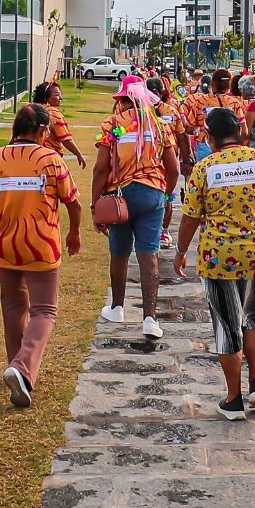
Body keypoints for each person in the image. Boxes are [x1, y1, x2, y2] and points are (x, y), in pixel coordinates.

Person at [173, 107, 255, 421]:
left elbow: (190, 218)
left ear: (209, 137)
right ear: (240, 131)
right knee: (252, 315)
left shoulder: (205, 168)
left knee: (226, 325)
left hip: (217, 258)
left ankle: (234, 399)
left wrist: (181, 251)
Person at [0, 105, 83, 408]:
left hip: (4, 245)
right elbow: (73, 202)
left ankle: (17, 369)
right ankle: (22, 368)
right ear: (42, 131)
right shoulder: (51, 159)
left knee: (12, 307)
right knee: (44, 310)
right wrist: (74, 233)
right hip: (41, 246)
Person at [93, 78, 180, 338]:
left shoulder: (112, 124)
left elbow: (100, 169)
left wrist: (95, 204)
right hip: (152, 193)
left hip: (119, 196)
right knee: (149, 254)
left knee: (119, 252)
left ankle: (117, 308)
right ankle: (150, 319)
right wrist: (165, 196)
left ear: (122, 101)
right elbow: (174, 169)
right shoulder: (160, 125)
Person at [148, 75, 191, 249]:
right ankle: (163, 232)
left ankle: (152, 231)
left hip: (147, 162)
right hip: (168, 161)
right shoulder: (172, 110)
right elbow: (182, 137)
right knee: (167, 196)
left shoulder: (139, 111)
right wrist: (186, 160)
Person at [182, 68, 247, 164]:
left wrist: (200, 131)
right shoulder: (234, 103)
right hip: (230, 148)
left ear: (212, 83)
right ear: (228, 85)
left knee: (205, 172)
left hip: (205, 146)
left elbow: (188, 128)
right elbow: (244, 130)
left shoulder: (201, 101)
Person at [32, 81, 88, 173]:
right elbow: (66, 139)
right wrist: (79, 155)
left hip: (29, 157)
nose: (61, 98)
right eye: (57, 95)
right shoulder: (53, 113)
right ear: (46, 97)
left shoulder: (29, 110)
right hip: (48, 160)